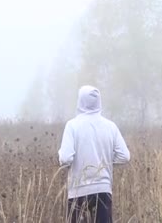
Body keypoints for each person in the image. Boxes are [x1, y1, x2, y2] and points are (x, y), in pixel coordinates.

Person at [58, 85, 131, 223]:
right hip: (103, 191)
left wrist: (60, 155)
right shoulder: (110, 126)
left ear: (80, 101)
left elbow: (66, 158)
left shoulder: (72, 126)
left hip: (77, 192)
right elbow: (125, 156)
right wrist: (106, 161)